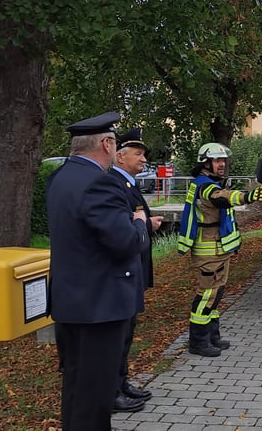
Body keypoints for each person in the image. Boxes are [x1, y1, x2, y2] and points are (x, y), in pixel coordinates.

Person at [46, 112, 150, 430]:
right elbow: (124, 242)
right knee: (96, 398)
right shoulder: (100, 183)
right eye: (115, 143)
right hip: (101, 307)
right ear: (106, 144)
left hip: (71, 302)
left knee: (77, 389)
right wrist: (140, 224)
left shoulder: (60, 177)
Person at [178, 142, 262, 357]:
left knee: (216, 294)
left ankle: (212, 337)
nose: (222, 164)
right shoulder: (204, 186)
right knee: (207, 294)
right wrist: (247, 197)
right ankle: (198, 342)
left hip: (218, 249)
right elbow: (221, 198)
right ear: (205, 162)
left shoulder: (211, 182)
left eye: (223, 160)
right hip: (208, 251)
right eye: (217, 160)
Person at [108, 128, 164, 412]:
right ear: (120, 156)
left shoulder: (127, 184)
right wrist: (144, 224)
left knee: (127, 332)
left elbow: (135, 220)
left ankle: (122, 382)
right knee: (119, 334)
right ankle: (114, 389)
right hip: (123, 272)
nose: (144, 159)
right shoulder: (114, 184)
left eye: (143, 154)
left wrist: (145, 223)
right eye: (138, 154)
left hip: (134, 269)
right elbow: (124, 226)